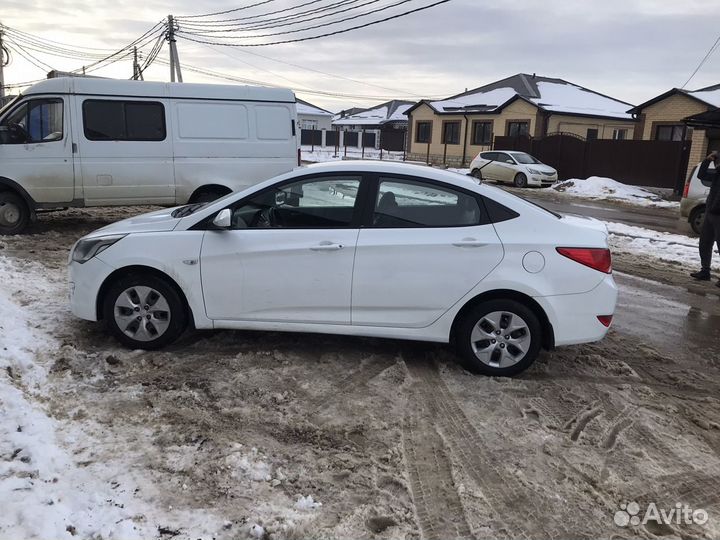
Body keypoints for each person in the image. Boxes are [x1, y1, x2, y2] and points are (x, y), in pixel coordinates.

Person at [691, 150, 720, 284]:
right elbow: (701, 175)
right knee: (705, 242)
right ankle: (705, 271)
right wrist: (707, 161)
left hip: (718, 214)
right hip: (710, 211)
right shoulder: (717, 174)